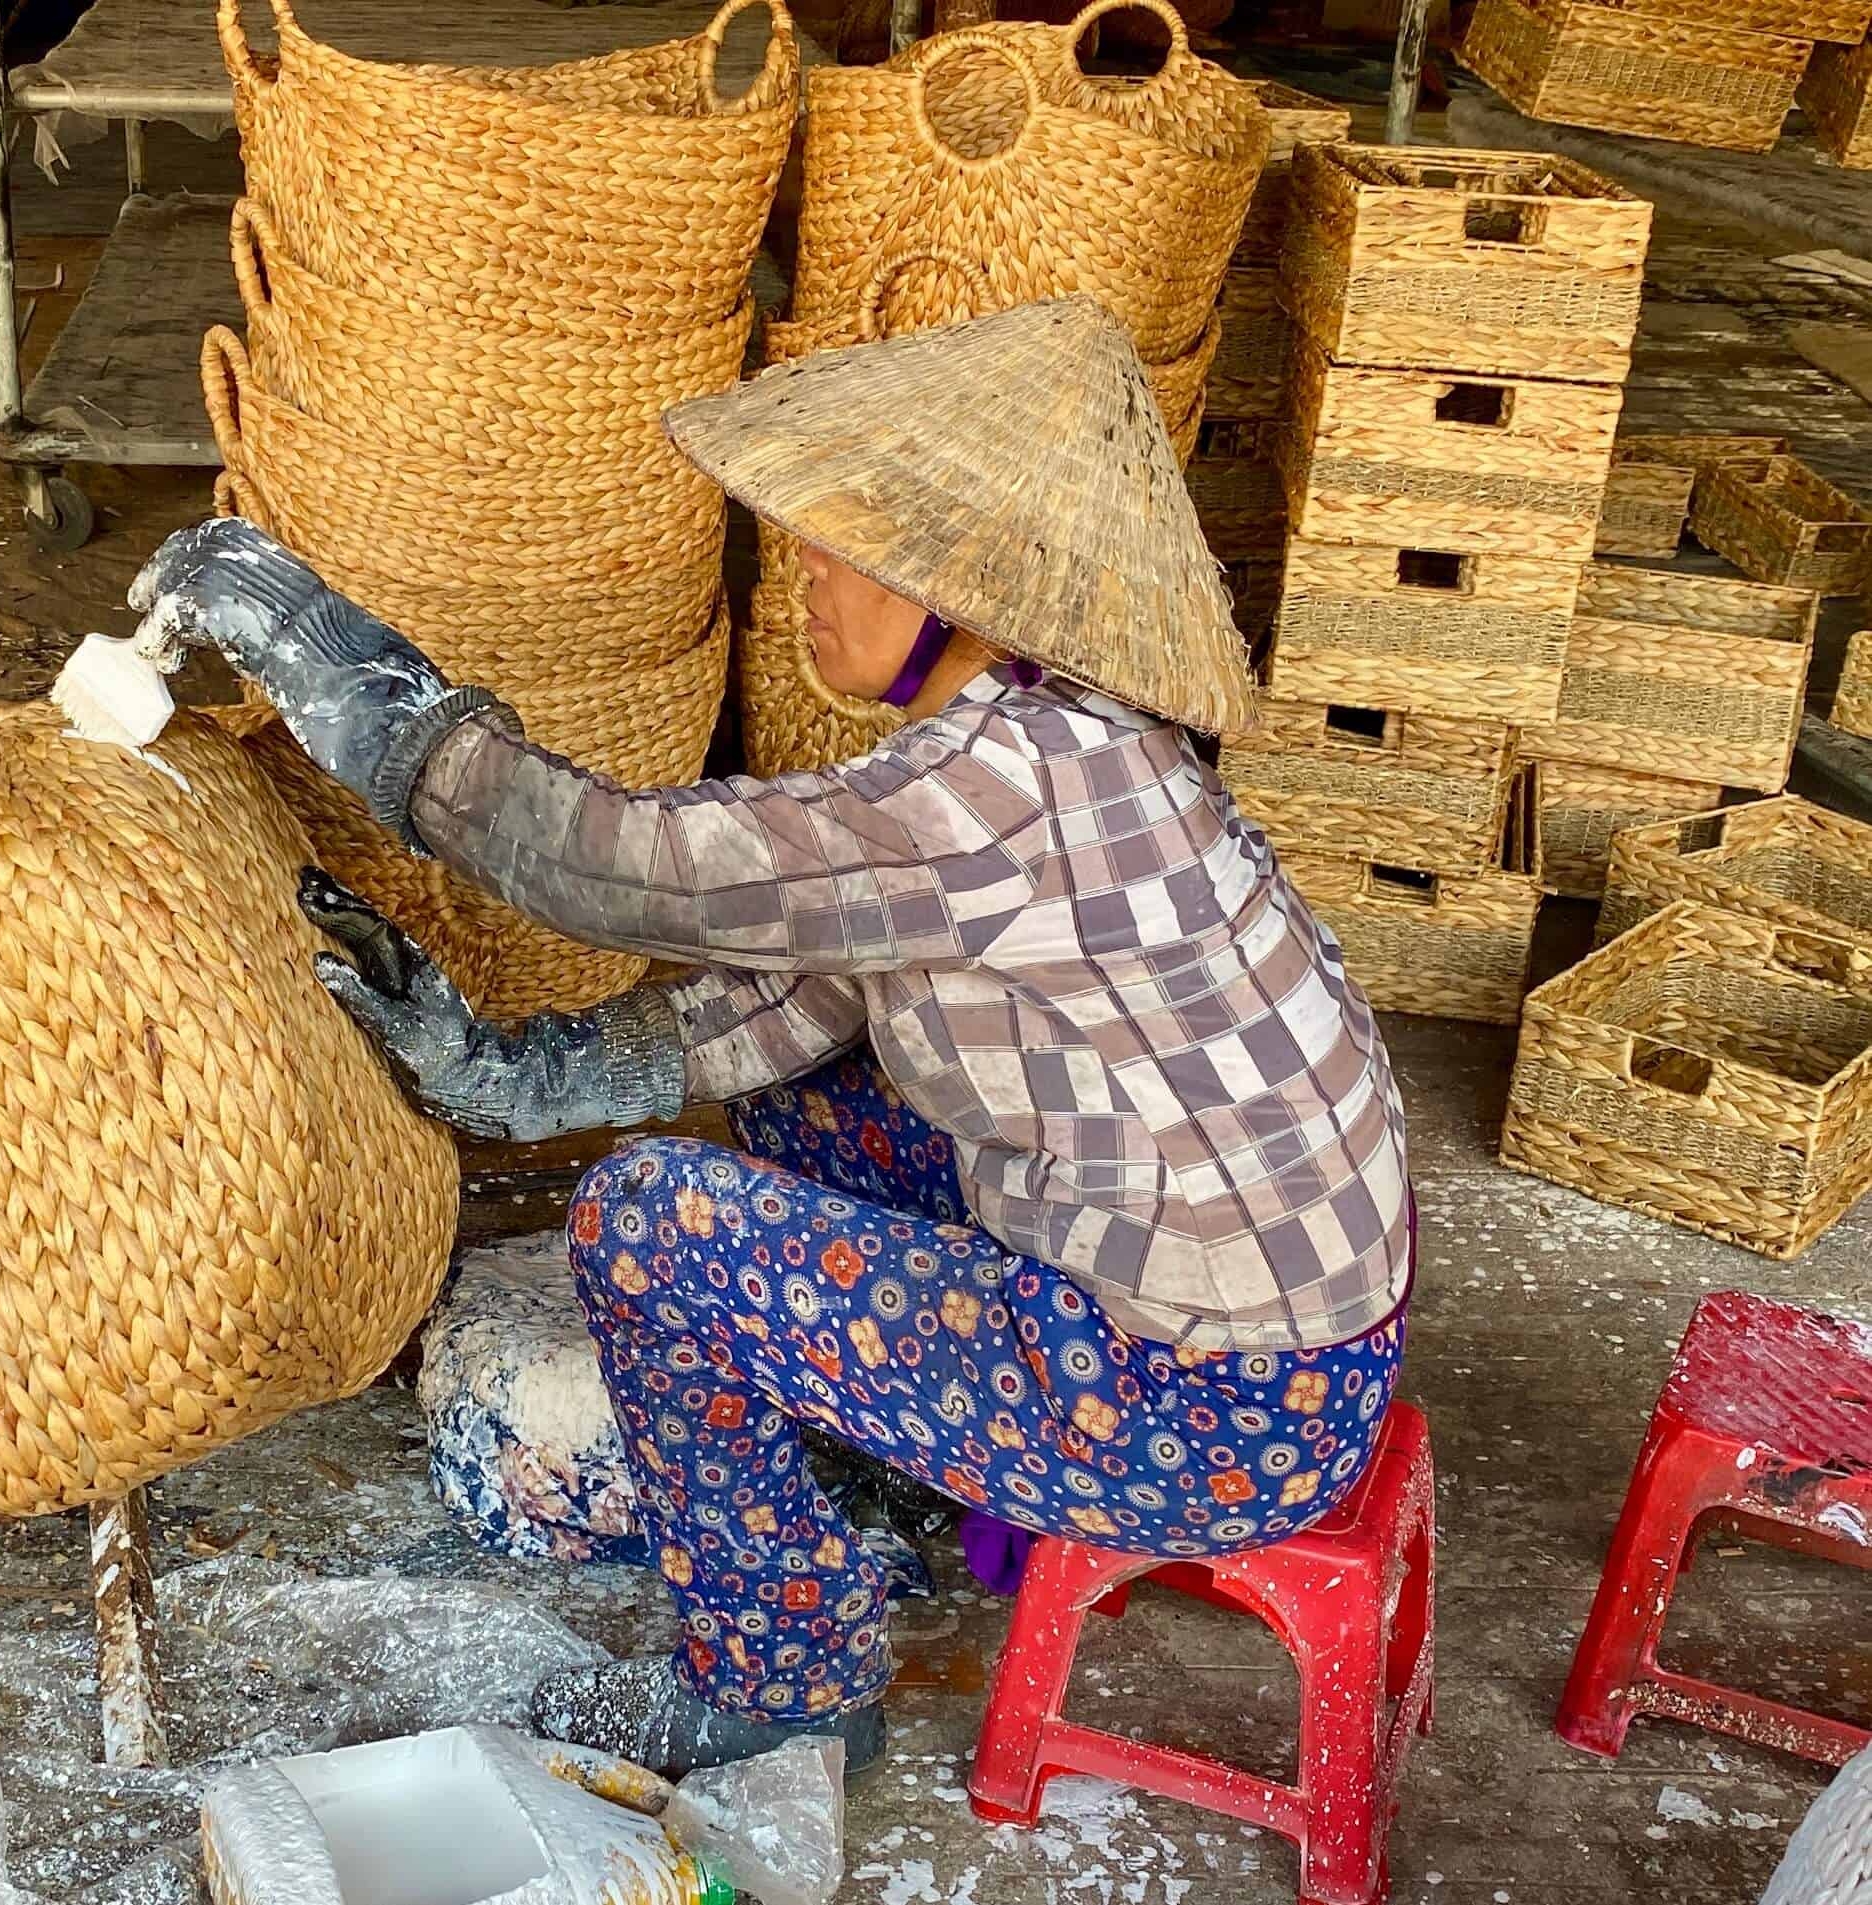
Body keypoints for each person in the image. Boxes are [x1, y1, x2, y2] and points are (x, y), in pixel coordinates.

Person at [130, 298, 1412, 1779]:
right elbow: (800, 998)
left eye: (843, 543)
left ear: (962, 583)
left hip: (1202, 1410)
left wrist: (337, 667)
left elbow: (600, 858)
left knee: (649, 1226)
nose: (802, 572)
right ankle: (910, 1475)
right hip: (1292, 1354)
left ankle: (785, 1670)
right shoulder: (1072, 735)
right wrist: (518, 1072)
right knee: (812, 1109)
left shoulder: (988, 793)